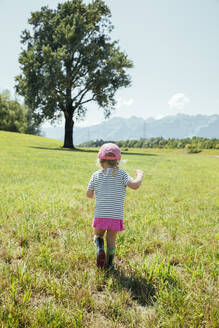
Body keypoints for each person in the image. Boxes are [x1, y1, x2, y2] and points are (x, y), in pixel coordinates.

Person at [86, 143, 144, 269]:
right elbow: (135, 185)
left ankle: (100, 249)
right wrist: (140, 175)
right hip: (116, 216)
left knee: (98, 236)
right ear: (117, 161)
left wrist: (99, 195)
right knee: (111, 241)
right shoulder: (122, 174)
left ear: (100, 160)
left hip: (101, 214)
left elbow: (89, 194)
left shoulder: (96, 175)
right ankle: (110, 264)